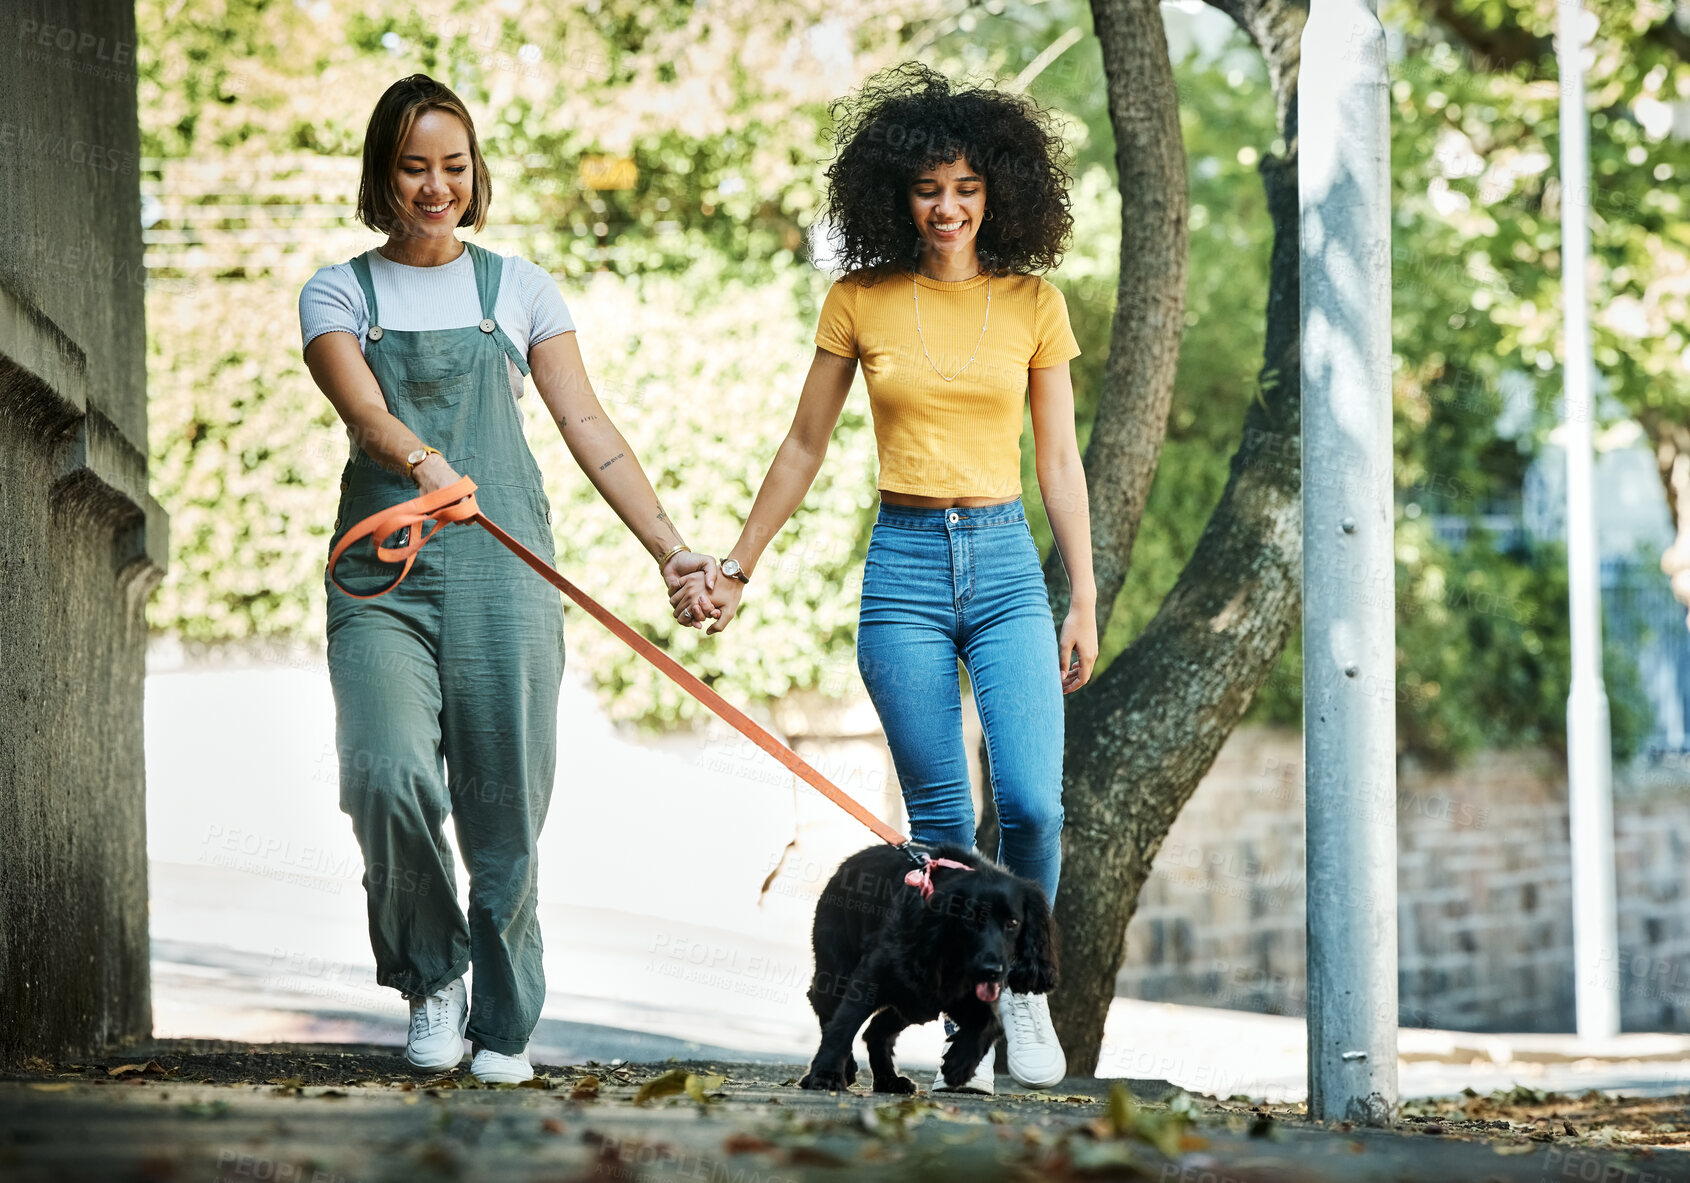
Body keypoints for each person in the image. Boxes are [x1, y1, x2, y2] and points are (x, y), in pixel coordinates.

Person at [671, 63, 1098, 1094]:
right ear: (894, 197)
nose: (947, 209)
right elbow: (804, 443)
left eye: (965, 189)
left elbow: (1057, 459)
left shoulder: (1033, 301)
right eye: (926, 190)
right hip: (903, 566)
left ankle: (1025, 999)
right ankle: (962, 1032)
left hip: (1001, 564)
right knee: (943, 833)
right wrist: (736, 565)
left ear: (998, 192)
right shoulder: (859, 298)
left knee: (1033, 806)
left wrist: (1079, 593)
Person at [298, 74, 716, 1085]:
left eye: (453, 165)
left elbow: (589, 432)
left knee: (505, 813)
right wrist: (426, 462)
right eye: (413, 167)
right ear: (381, 176)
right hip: (381, 577)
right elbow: (365, 413)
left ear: (474, 171)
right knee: (382, 772)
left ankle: (504, 1017)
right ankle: (432, 973)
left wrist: (670, 547)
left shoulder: (519, 289)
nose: (435, 187)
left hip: (502, 570)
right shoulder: (338, 289)